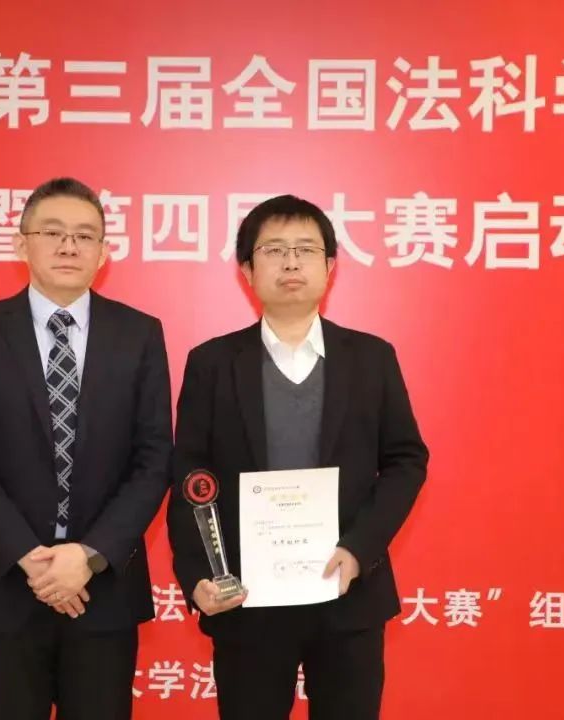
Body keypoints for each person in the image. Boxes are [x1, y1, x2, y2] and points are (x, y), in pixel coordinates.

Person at [167, 194, 429, 719]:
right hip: (246, 600)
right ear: (247, 270)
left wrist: (359, 548)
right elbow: (189, 477)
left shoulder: (371, 357)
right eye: (274, 250)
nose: (291, 262)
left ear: (330, 267)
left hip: (347, 592)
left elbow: (406, 460)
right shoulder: (212, 362)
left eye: (306, 250)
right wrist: (198, 576)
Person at [0, 177, 172, 719]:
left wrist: (87, 555)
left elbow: (154, 457)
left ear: (103, 253)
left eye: (85, 236)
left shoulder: (139, 334)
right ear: (22, 245)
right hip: (3, 581)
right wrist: (32, 559)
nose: (69, 246)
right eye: (53, 233)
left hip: (102, 587)